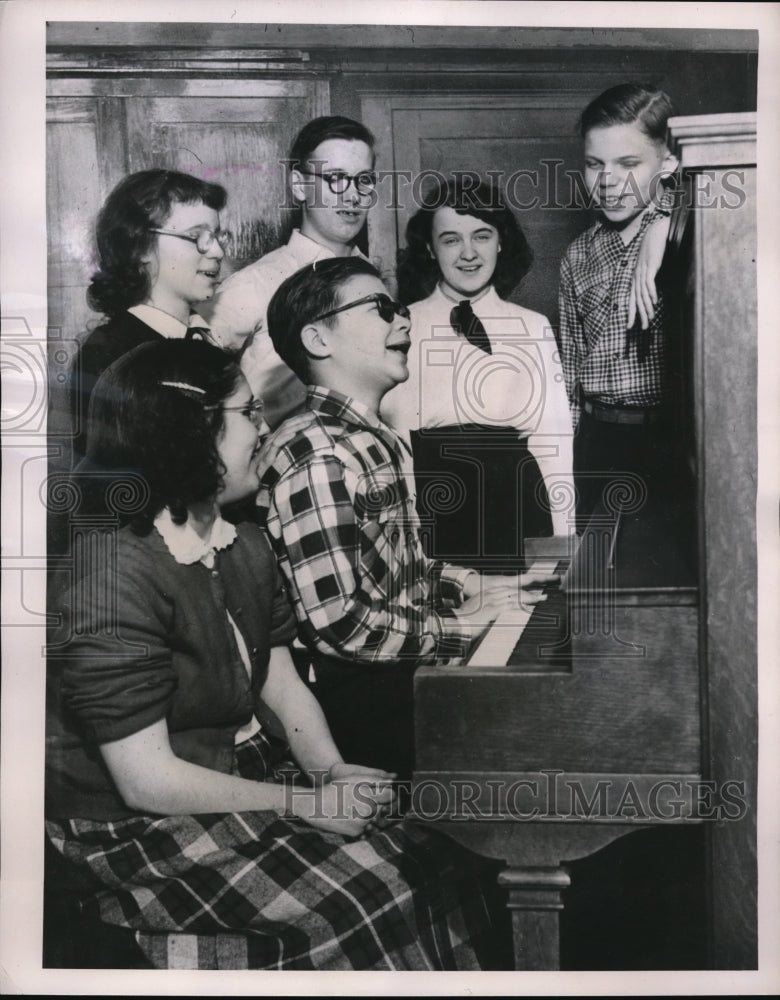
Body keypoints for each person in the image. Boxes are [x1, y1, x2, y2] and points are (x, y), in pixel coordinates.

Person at [45, 338, 506, 971]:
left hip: (237, 772)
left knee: (441, 852)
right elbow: (145, 779)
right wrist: (308, 805)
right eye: (247, 414)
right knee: (367, 892)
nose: (266, 427)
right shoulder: (111, 576)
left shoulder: (245, 543)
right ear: (188, 433)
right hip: (132, 821)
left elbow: (280, 682)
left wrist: (331, 773)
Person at [256, 257, 557, 781]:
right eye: (380, 310)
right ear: (317, 339)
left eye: (399, 308)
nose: (404, 321)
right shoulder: (317, 455)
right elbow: (339, 625)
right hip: (359, 702)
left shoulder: (367, 438)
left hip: (398, 670)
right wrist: (459, 628)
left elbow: (399, 565)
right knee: (533, 745)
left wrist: (475, 583)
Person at [382, 176, 575, 566]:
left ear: (501, 242)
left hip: (518, 512)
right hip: (434, 518)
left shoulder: (534, 326)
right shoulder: (400, 326)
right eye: (451, 239)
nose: (468, 253)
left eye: (482, 236)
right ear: (430, 249)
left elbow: (553, 445)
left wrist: (560, 547)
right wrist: (408, 547)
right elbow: (396, 445)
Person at [557, 83, 688, 529]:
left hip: (668, 439)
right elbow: (571, 371)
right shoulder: (577, 255)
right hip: (596, 439)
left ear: (668, 161)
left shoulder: (693, 232)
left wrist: (668, 221)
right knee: (595, 580)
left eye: (629, 164)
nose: (608, 181)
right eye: (595, 164)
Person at [204, 115, 378, 428]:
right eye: (336, 178)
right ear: (299, 185)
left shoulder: (378, 285)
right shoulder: (253, 285)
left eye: (363, 180)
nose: (353, 195)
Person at [69, 168, 229, 465]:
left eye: (218, 236)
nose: (218, 251)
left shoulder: (200, 337)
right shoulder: (108, 352)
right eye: (197, 237)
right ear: (139, 246)